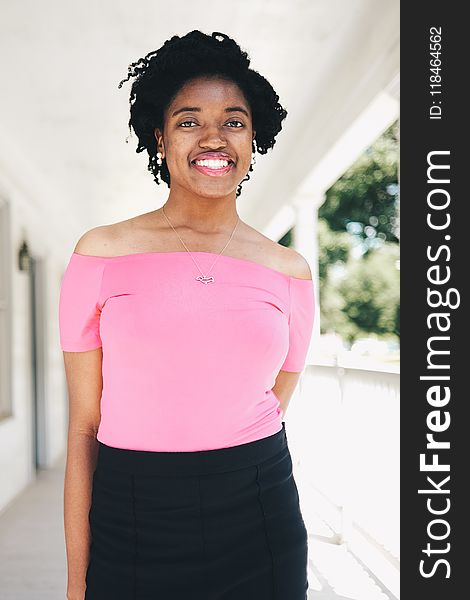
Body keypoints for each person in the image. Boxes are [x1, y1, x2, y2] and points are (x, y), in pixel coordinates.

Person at [60, 30, 315, 600]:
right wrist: (77, 584)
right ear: (159, 138)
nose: (213, 137)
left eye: (234, 120)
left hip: (258, 506)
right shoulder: (100, 253)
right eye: (188, 120)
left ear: (253, 140)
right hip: (132, 513)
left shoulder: (290, 270)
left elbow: (272, 398)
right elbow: (83, 430)